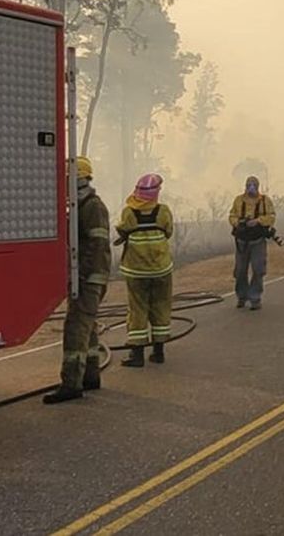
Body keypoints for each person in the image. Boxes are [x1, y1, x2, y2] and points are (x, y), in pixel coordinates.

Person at [44, 156, 111, 405]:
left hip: (89, 276)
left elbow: (96, 244)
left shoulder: (92, 207)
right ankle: (90, 375)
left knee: (75, 326)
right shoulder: (80, 205)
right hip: (87, 275)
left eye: (67, 179)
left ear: (78, 178)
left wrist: (81, 273)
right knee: (88, 325)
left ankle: (71, 383)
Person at [115, 174, 174, 367]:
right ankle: (159, 353)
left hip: (136, 272)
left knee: (137, 309)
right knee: (161, 306)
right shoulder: (163, 211)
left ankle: (137, 355)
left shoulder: (128, 212)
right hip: (161, 270)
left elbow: (122, 229)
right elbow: (168, 231)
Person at [228, 175, 276, 310]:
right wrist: (238, 223)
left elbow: (271, 216)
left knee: (258, 269)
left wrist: (258, 221)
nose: (251, 187)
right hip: (242, 241)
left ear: (258, 186)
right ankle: (241, 297)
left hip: (258, 241)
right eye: (249, 184)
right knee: (240, 271)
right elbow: (232, 215)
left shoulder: (265, 201)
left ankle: (255, 298)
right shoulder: (238, 200)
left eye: (254, 185)